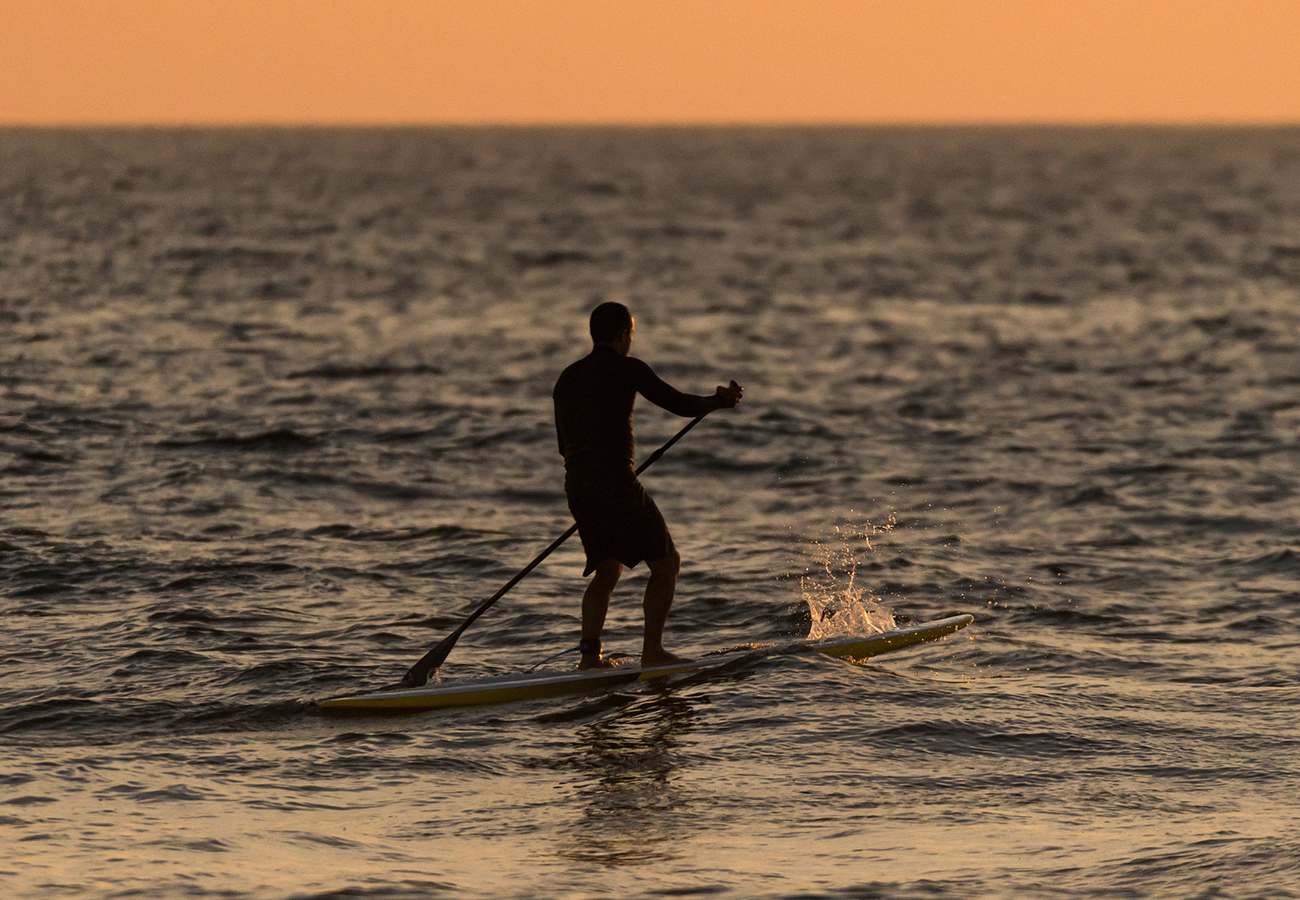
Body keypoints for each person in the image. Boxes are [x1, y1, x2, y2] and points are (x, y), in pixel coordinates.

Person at [553, 301, 743, 669]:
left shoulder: (566, 378)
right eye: (631, 336)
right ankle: (652, 652)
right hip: (615, 482)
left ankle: (590, 659)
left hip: (577, 484)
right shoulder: (627, 368)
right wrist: (718, 402)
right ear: (624, 335)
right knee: (667, 563)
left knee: (607, 569)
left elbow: (564, 446)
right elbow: (677, 403)